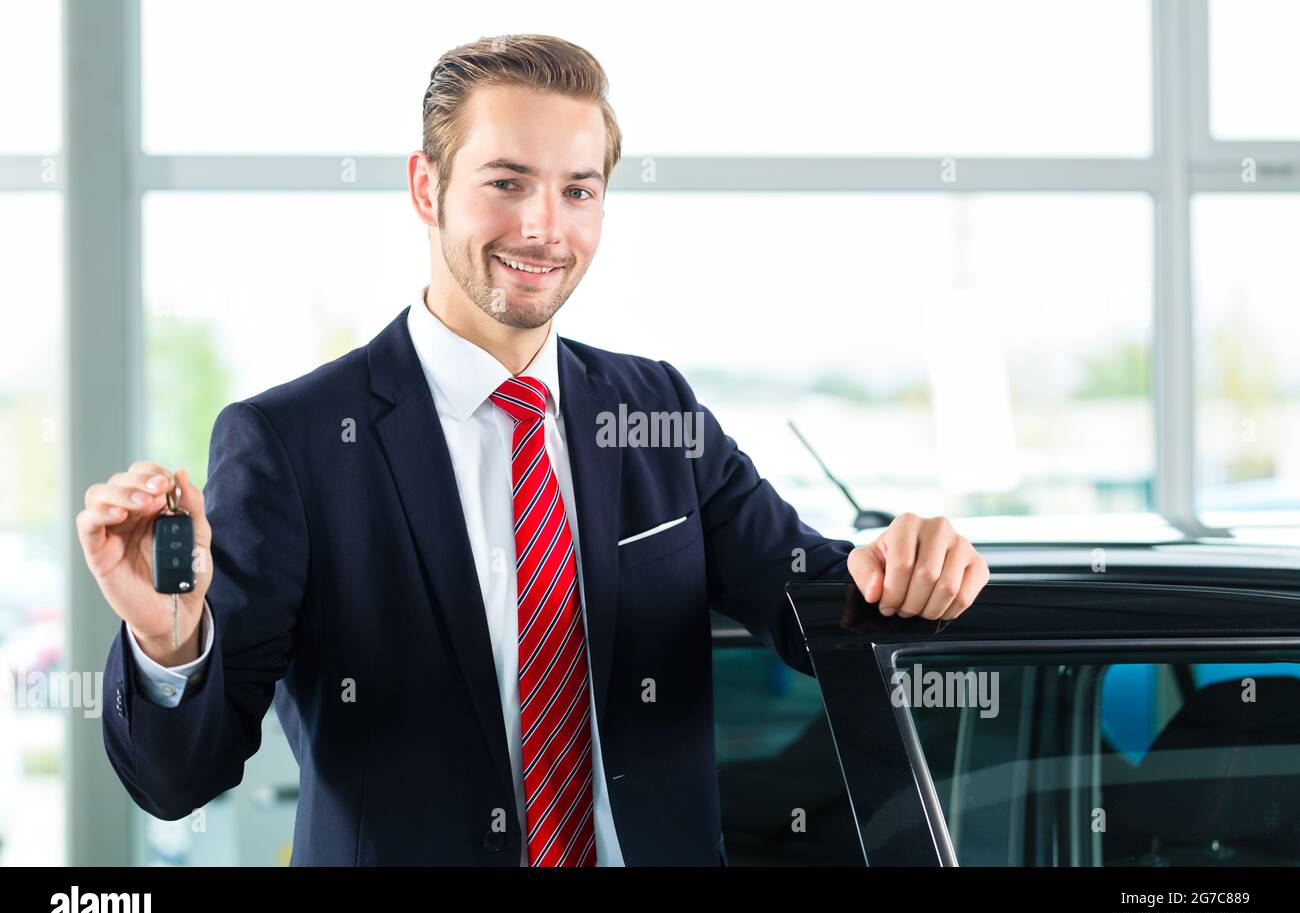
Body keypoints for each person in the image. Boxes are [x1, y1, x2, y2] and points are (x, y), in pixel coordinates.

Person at [75, 34, 989, 866]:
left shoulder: (654, 409)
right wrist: (170, 645)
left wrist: (905, 567)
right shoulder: (293, 442)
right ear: (427, 187)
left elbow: (807, 602)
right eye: (507, 181)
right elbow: (179, 780)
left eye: (578, 189)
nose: (545, 227)